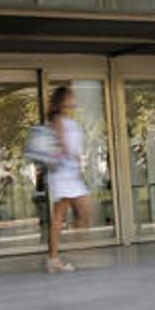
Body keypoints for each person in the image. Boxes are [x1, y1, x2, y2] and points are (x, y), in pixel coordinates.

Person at [45, 86, 95, 272]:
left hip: (68, 173)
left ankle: (54, 258)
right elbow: (62, 144)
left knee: (62, 215)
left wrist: (77, 165)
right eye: (70, 96)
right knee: (84, 209)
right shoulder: (58, 120)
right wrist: (75, 161)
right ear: (63, 100)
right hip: (64, 173)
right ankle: (78, 249)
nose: (74, 99)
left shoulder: (65, 120)